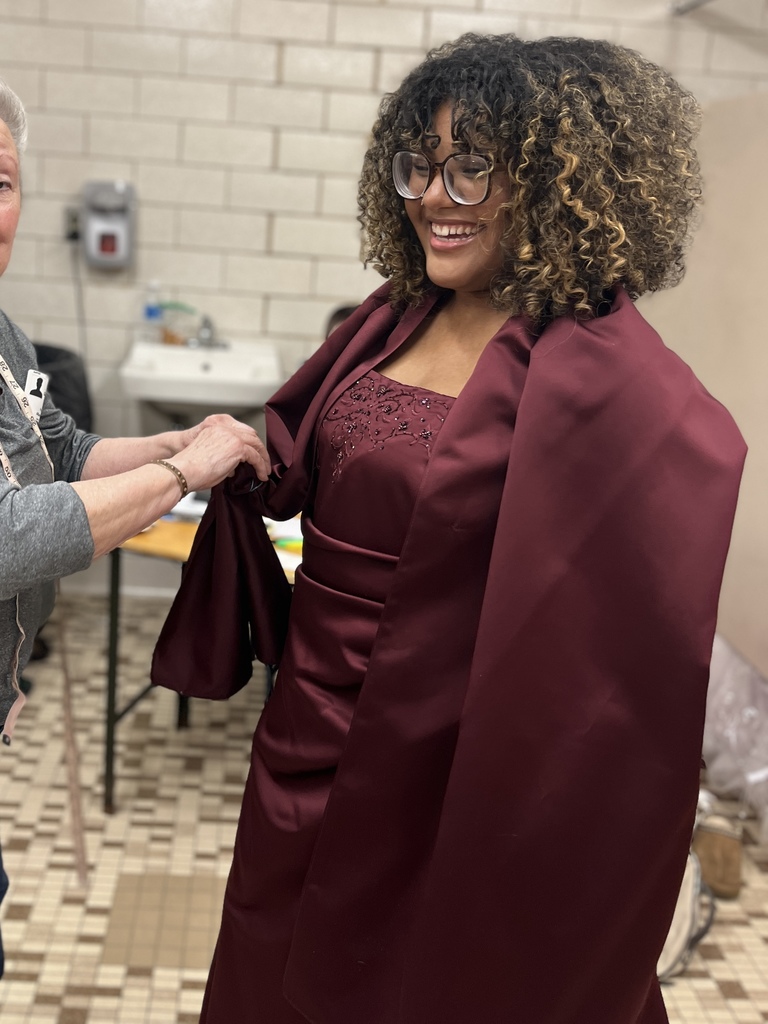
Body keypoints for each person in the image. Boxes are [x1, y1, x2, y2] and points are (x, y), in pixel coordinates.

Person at [153, 34, 746, 1024]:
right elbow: (317, 440)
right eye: (419, 162)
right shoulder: (393, 315)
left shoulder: (601, 365)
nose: (436, 193)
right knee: (276, 965)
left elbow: (675, 504)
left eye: (475, 164)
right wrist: (249, 454)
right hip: (306, 733)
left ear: (559, 184)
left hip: (452, 763)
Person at [0, 78, 270, 979]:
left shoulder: (5, 339)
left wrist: (176, 439)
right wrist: (181, 474)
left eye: (0, 181)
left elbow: (63, 450)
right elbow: (6, 536)